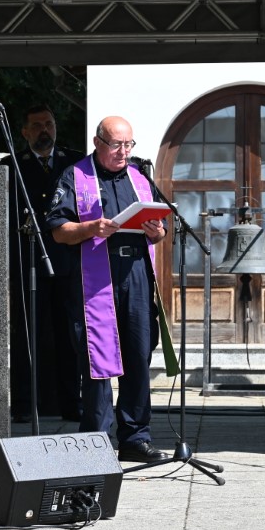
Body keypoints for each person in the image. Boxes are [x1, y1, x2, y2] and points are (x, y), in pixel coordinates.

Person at [46, 115, 171, 462]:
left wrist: (157, 233)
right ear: (97, 142)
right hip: (96, 278)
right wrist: (90, 228)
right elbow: (58, 230)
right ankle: (96, 441)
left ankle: (135, 438)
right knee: (97, 359)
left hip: (136, 274)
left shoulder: (140, 178)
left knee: (138, 355)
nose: (123, 152)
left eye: (128, 144)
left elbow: (159, 230)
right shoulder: (75, 176)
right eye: (116, 144)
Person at [1, 104, 85, 422]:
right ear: (25, 132)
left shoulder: (74, 162)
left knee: (68, 336)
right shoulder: (11, 165)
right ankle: (24, 404)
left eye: (49, 124)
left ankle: (71, 402)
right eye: (36, 126)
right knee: (27, 335)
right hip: (29, 261)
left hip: (66, 260)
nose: (44, 130)